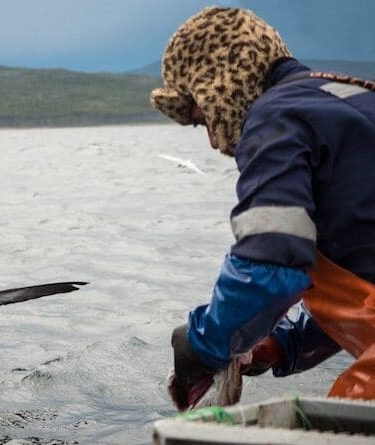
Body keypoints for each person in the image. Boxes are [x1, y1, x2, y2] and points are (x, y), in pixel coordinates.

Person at [149, 6, 375, 410]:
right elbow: (363, 264)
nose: (214, 144)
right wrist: (279, 342)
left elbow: (270, 267)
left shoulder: (276, 116)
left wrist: (202, 344)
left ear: (221, 84)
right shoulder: (351, 99)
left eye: (204, 120)